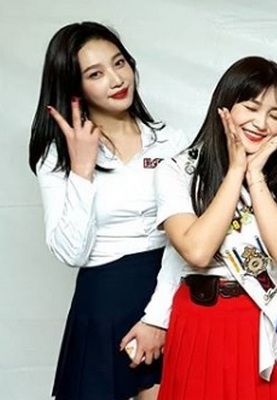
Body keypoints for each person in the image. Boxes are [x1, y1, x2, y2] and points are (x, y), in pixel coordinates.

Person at [29, 21, 187, 400]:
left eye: (119, 63)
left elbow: (182, 239)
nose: (116, 79)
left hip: (166, 291)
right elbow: (72, 253)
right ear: (75, 86)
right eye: (95, 74)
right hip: (102, 300)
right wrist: (82, 170)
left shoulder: (170, 141)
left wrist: (157, 318)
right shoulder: (57, 154)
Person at [141, 56, 277, 400]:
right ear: (225, 106)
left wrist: (255, 176)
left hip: (264, 317)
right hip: (202, 322)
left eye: (275, 115)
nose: (261, 123)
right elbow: (197, 251)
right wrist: (235, 172)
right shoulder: (178, 171)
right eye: (251, 107)